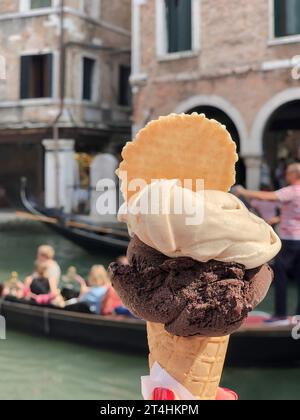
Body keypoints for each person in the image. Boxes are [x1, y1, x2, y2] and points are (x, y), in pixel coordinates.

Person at [237, 163, 300, 323]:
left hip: (289, 240)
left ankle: (280, 315)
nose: (286, 175)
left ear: (294, 174)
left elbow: (268, 196)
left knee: (280, 277)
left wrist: (243, 191)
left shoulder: (292, 190)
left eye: (287, 172)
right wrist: (277, 218)